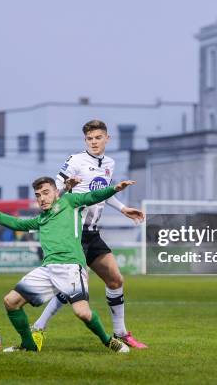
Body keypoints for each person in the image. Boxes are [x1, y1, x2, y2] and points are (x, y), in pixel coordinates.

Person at [0, 176, 136, 353]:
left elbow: (93, 197)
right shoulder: (40, 219)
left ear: (57, 192)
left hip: (71, 268)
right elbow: (15, 223)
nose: (42, 198)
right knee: (11, 302)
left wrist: (114, 189)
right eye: (38, 195)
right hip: (48, 270)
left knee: (82, 313)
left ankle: (109, 341)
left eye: (46, 193)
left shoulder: (69, 202)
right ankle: (28, 345)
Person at [31, 120, 147, 349]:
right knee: (72, 288)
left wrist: (124, 209)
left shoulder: (109, 164)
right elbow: (51, 192)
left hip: (92, 233)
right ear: (85, 141)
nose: (93, 142)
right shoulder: (75, 161)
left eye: (97, 138)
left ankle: (121, 333)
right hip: (73, 233)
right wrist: (67, 186)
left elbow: (101, 193)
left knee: (115, 279)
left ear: (107, 139)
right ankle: (38, 328)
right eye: (89, 139)